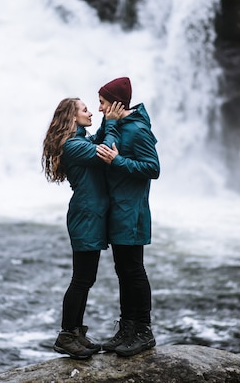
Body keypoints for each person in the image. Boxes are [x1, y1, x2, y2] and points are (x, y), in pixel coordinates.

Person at [41, 97, 122, 359]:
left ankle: (75, 333)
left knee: (86, 279)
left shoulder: (80, 140)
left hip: (91, 215)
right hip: (85, 216)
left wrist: (106, 123)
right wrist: (110, 123)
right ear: (72, 117)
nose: (90, 112)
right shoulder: (73, 145)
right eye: (85, 109)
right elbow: (107, 149)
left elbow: (97, 140)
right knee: (81, 279)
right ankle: (66, 335)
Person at [95, 77, 160, 357]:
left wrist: (117, 161)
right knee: (123, 271)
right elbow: (98, 145)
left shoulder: (137, 130)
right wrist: (107, 124)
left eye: (102, 103)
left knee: (133, 271)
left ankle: (143, 331)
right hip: (118, 210)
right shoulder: (115, 125)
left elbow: (153, 168)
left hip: (132, 212)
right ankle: (127, 329)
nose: (99, 108)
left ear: (116, 104)